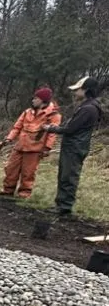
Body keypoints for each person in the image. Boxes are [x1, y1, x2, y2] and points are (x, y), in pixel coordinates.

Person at [44, 75, 102, 216]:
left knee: (68, 176)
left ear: (86, 90)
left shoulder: (88, 108)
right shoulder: (87, 106)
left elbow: (70, 129)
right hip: (73, 146)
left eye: (77, 89)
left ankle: (64, 206)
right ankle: (61, 204)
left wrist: (51, 128)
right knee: (65, 175)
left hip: (75, 147)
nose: (75, 92)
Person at [0, 87, 61, 199]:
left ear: (43, 100)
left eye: (36, 98)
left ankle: (24, 194)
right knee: (10, 168)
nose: (33, 100)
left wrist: (47, 148)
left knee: (28, 173)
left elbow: (52, 133)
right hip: (20, 146)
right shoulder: (27, 112)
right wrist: (9, 138)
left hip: (34, 149)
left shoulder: (53, 115)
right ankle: (7, 190)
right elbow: (17, 127)